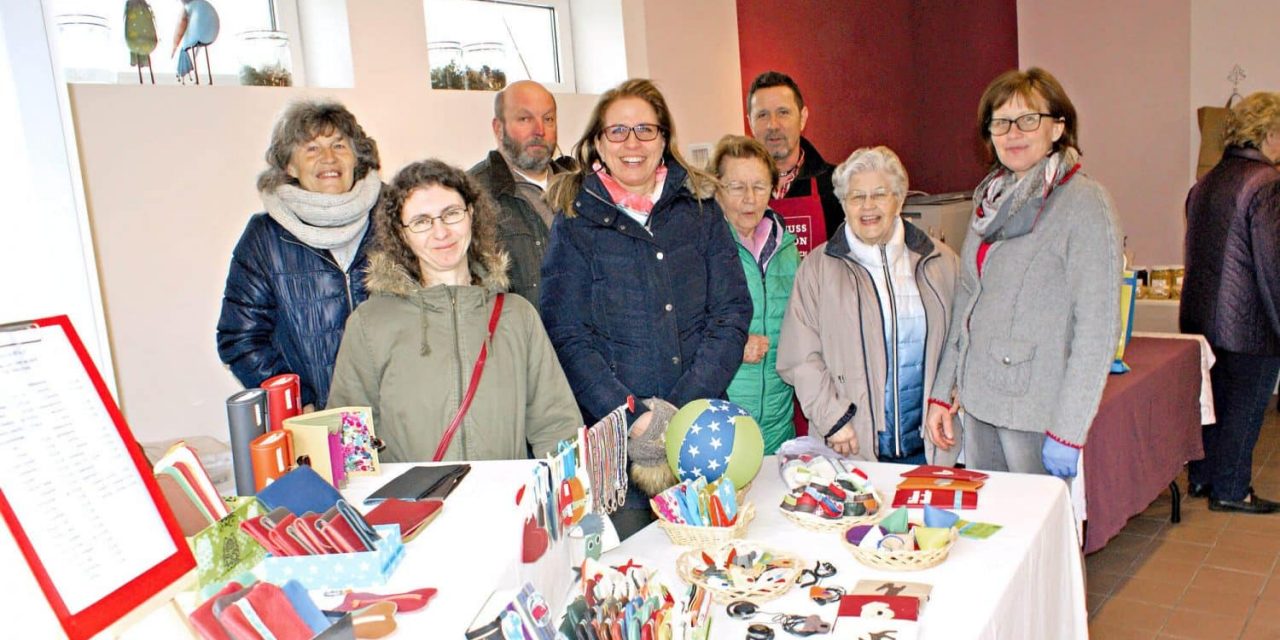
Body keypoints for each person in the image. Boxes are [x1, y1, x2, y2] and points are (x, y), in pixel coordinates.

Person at [540, 78, 751, 517]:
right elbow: (566, 334)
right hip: (617, 444)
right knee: (636, 572)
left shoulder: (700, 208)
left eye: (645, 130)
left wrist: (682, 407)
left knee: (713, 563)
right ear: (598, 142)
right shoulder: (574, 219)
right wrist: (634, 415)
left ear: (664, 138)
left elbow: (730, 312)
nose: (631, 143)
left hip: (703, 429)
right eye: (617, 131)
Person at [924, 68, 1122, 479]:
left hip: (1036, 412)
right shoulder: (989, 201)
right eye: (1001, 122)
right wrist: (943, 393)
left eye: (1028, 119)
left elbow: (1098, 328)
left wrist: (1069, 431)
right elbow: (967, 303)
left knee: (1039, 536)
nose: (1013, 132)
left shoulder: (1084, 202)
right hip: (980, 403)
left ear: (1057, 128)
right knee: (991, 530)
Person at [327, 159, 579, 462]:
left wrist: (570, 498)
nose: (441, 232)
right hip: (410, 507)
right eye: (421, 221)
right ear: (401, 233)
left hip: (504, 504)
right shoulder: (369, 324)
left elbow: (557, 426)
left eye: (451, 214)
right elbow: (348, 443)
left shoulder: (518, 316)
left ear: (471, 215)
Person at [778, 146, 960, 465]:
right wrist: (833, 418)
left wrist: (948, 396)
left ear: (900, 199)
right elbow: (798, 357)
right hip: (850, 446)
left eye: (879, 194)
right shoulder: (817, 269)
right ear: (843, 204)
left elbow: (963, 342)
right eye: (856, 196)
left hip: (932, 449)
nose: (868, 206)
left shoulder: (942, 262)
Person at [217, 99, 382, 410]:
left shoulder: (395, 218)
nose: (328, 158)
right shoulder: (265, 237)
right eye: (311, 149)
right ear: (289, 166)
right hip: (318, 421)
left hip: (402, 416)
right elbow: (239, 339)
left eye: (339, 145)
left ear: (357, 157)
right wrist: (297, 401)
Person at [1180, 91, 1280, 513]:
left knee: (1212, 404)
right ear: (1269, 134)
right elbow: (1273, 264)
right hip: (1246, 322)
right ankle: (1232, 490)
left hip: (1202, 317)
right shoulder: (1267, 184)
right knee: (1244, 407)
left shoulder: (1207, 181)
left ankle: (1203, 479)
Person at [711, 135, 800, 454]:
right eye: (736, 187)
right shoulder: (701, 249)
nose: (750, 198)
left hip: (779, 425)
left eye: (760, 186)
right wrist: (732, 345)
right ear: (716, 189)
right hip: (722, 429)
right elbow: (677, 333)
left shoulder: (787, 249)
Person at [469, 80, 576, 312]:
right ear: (498, 128)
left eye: (548, 119)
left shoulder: (582, 186)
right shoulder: (471, 195)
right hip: (521, 344)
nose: (540, 130)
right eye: (525, 119)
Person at [747, 71, 842, 255]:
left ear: (803, 117)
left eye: (783, 113)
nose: (773, 125)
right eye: (762, 115)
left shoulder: (837, 185)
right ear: (750, 123)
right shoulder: (733, 194)